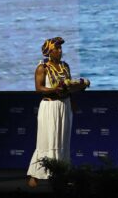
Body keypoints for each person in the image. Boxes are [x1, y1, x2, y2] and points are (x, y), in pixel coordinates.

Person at [27, 37, 89, 187]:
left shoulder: (65, 66)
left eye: (61, 49)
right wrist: (54, 89)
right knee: (46, 140)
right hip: (50, 107)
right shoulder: (43, 67)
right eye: (57, 49)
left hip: (64, 106)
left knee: (62, 140)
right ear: (49, 51)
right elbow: (38, 88)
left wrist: (78, 90)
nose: (60, 51)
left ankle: (62, 173)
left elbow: (68, 87)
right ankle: (35, 176)